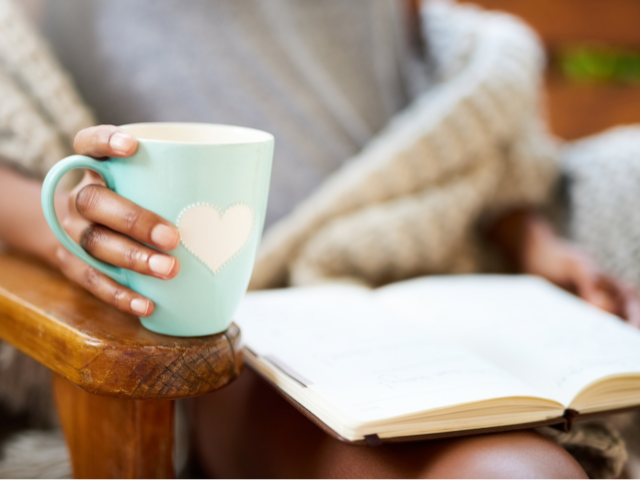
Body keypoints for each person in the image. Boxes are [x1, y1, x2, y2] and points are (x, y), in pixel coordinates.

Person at [1, 0, 639, 477]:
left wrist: (534, 241)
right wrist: (66, 214)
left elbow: (466, 128)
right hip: (249, 338)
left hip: (441, 289)